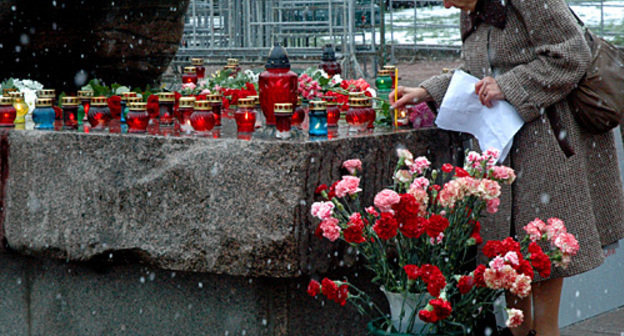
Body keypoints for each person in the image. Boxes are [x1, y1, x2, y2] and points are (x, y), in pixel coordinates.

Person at [390, 0, 624, 335]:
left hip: (548, 149)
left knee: (543, 260)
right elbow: (479, 70)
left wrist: (510, 86)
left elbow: (572, 53)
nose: (443, 4)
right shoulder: (471, 9)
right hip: (506, 148)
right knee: (511, 267)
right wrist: (428, 90)